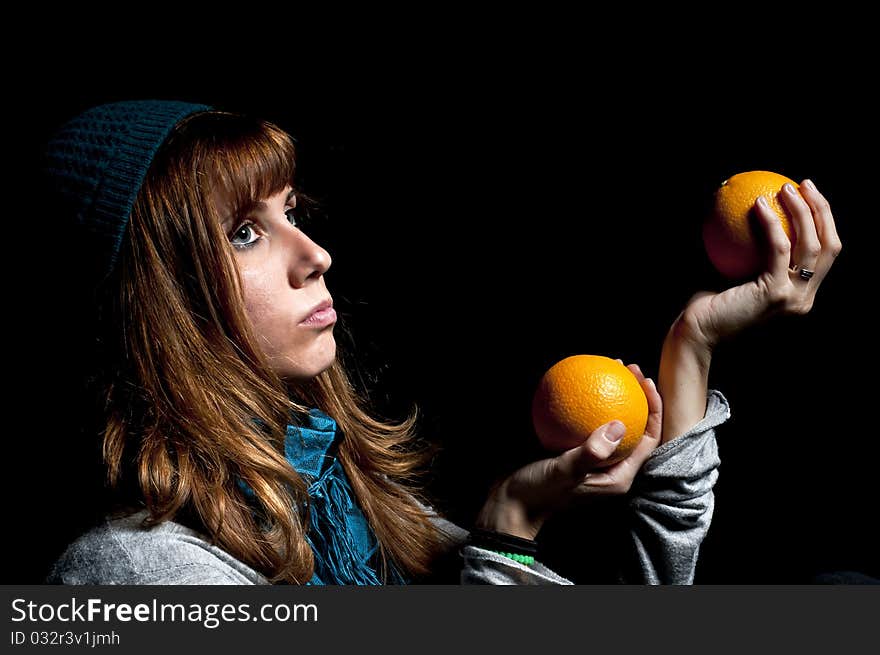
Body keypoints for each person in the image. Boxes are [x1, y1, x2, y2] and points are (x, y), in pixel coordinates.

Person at [41, 100, 841, 585]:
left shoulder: (338, 499)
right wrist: (509, 538)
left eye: (292, 211)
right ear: (156, 306)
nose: (314, 254)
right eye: (245, 232)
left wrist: (692, 344)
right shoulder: (135, 573)